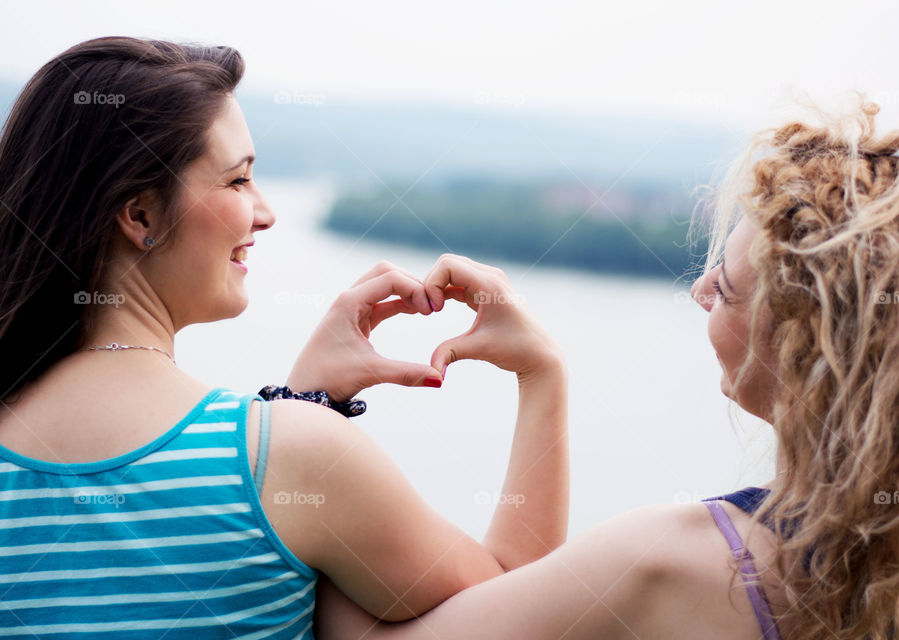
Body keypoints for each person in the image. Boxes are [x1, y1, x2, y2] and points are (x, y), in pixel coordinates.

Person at [314, 102, 899, 640]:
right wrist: (543, 372)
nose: (700, 291)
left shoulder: (685, 565)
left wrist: (306, 411)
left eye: (727, 287)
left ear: (801, 344)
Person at [0, 37, 569, 638]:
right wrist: (542, 372)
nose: (265, 213)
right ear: (140, 215)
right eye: (238, 180)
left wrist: (302, 404)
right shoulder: (290, 459)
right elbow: (525, 610)